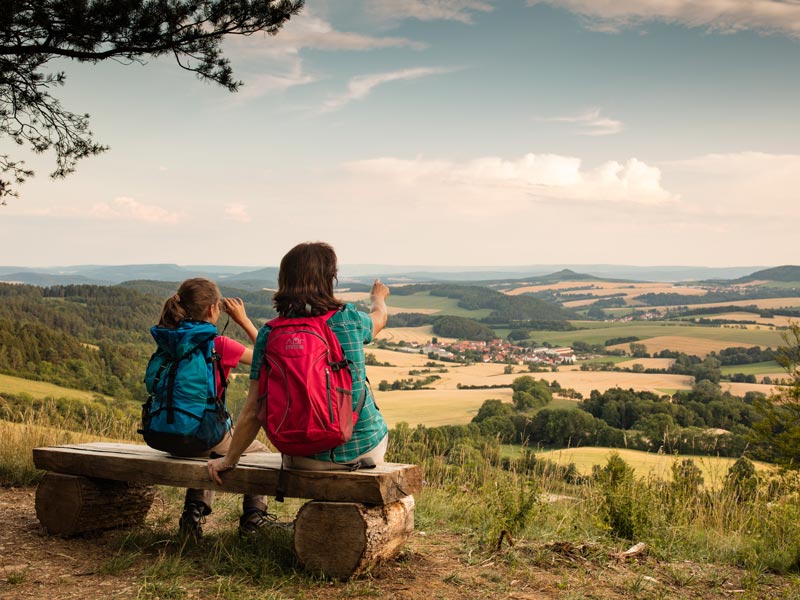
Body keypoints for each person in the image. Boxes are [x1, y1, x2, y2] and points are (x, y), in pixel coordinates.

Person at [207, 242, 390, 489]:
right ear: (330, 278)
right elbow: (379, 319)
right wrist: (377, 298)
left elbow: (252, 410)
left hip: (300, 457)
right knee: (373, 423)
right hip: (361, 451)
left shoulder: (269, 333)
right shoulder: (349, 319)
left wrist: (229, 460)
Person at [153, 277, 271, 537]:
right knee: (255, 449)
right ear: (212, 310)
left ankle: (193, 513)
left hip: (164, 435)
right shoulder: (220, 345)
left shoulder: (169, 339)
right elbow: (268, 359)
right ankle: (254, 517)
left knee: (210, 443)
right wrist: (244, 321)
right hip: (199, 436)